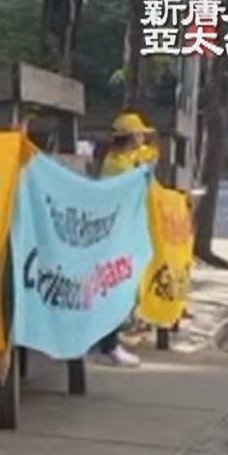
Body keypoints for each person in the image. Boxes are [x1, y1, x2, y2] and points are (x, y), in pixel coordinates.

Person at [87, 112, 157, 368]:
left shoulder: (120, 160)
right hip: (115, 236)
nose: (143, 138)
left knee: (115, 289)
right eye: (139, 134)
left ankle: (107, 343)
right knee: (113, 290)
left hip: (119, 234)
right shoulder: (120, 167)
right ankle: (108, 346)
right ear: (130, 137)